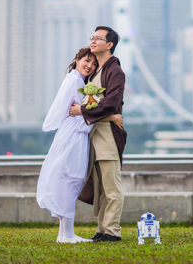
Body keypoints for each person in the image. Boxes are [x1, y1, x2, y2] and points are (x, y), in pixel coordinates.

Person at [37, 47, 123, 244]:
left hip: (76, 136)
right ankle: (67, 234)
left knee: (69, 181)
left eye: (93, 64)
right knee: (70, 180)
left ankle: (65, 233)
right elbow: (82, 111)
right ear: (76, 59)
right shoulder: (74, 81)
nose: (89, 66)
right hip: (73, 137)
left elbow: (84, 111)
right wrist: (113, 116)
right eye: (86, 60)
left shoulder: (78, 81)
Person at [69, 26, 127, 242]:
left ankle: (112, 231)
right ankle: (102, 229)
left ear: (109, 44)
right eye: (92, 38)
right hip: (93, 135)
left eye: (98, 38)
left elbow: (112, 103)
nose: (93, 41)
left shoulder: (115, 72)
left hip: (107, 136)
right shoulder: (94, 71)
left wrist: (82, 111)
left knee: (111, 186)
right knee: (100, 188)